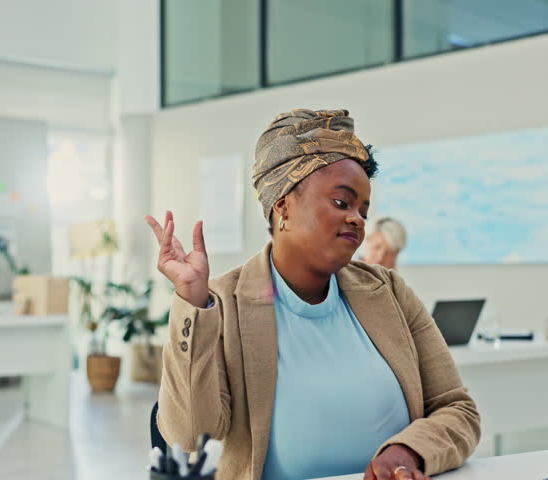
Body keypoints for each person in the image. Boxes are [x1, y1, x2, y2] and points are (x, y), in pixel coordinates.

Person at [146, 109, 479, 480]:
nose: (357, 219)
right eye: (341, 202)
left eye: (362, 209)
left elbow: (457, 409)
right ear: (283, 207)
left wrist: (406, 452)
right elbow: (191, 435)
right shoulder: (222, 304)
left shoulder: (389, 292)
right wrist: (193, 302)